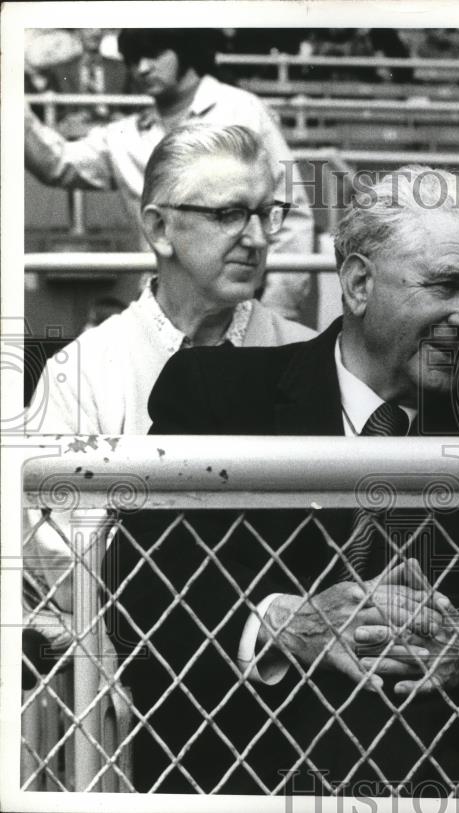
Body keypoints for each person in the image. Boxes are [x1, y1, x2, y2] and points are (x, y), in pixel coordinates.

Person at [103, 165, 459, 794]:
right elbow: (135, 591)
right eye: (446, 285)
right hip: (246, 774)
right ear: (358, 283)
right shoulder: (216, 396)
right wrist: (285, 620)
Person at [23, 124, 316, 669]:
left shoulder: (308, 355)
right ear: (159, 228)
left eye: (264, 213)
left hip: (298, 681)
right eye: (228, 214)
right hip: (131, 687)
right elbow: (70, 574)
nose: (256, 238)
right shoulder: (80, 373)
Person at [24, 28, 315, 321]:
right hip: (161, 311)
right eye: (133, 59)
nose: (142, 68)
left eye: (153, 54)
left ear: (184, 49)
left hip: (240, 307)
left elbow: (290, 210)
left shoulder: (242, 110)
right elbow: (57, 164)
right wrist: (12, 107)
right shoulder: (127, 136)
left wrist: (279, 309)